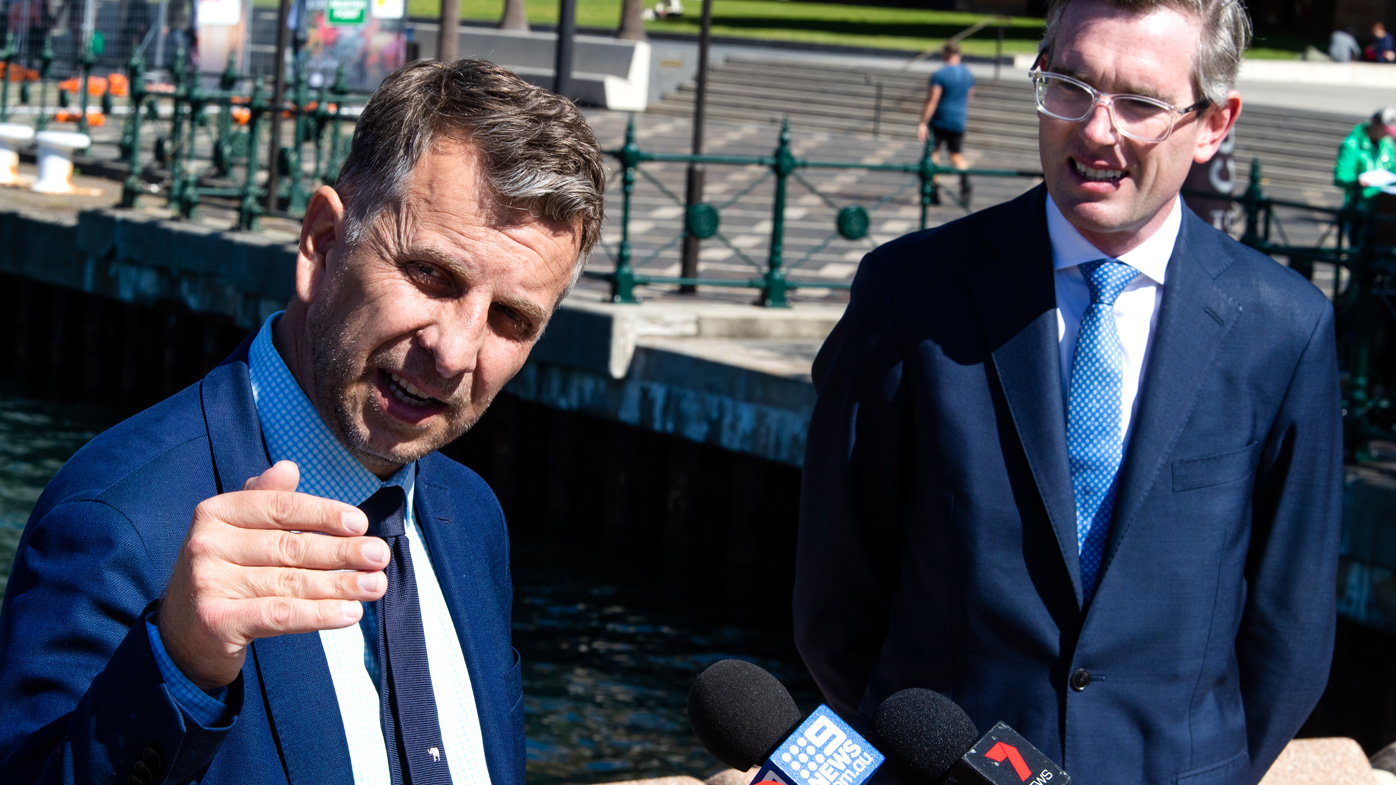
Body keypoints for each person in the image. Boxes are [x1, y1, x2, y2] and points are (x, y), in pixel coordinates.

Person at [0, 57, 605, 785]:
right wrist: (178, 663)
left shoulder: (471, 519)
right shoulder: (118, 519)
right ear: (321, 243)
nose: (454, 352)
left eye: (510, 317)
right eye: (431, 275)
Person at [794, 0, 1342, 782]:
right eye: (1071, 88)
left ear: (1215, 124)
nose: (1094, 130)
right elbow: (834, 594)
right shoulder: (910, 293)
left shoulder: (1284, 327)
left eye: (1141, 104)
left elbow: (1290, 629)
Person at [916, 40, 976, 173]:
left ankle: (933, 188)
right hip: (959, 119)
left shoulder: (940, 74)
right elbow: (969, 96)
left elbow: (933, 100)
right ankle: (965, 181)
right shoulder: (968, 74)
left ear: (946, 53)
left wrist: (923, 122)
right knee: (955, 155)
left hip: (940, 120)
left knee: (933, 154)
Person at [1334, 106, 1396, 221]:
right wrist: (1358, 182)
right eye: (1384, 130)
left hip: (1383, 205)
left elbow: (1391, 169)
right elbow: (1340, 177)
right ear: (1374, 123)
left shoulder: (1387, 143)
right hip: (1359, 207)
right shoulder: (1352, 144)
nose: (1386, 135)